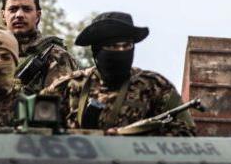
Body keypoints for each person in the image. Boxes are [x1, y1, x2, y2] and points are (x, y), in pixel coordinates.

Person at [41, 12, 194, 135]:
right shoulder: (69, 85)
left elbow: (186, 133)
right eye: (113, 46)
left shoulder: (155, 86)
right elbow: (33, 129)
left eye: (126, 45)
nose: (121, 52)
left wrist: (134, 139)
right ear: (97, 51)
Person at [0, 0, 77, 95]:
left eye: (27, 9)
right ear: (3, 15)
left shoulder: (54, 56)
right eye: (13, 9)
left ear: (38, 15)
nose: (19, 15)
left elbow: (60, 107)